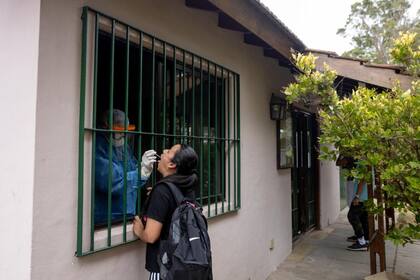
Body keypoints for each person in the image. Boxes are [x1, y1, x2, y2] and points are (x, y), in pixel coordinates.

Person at [133, 144, 198, 280]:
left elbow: (151, 236)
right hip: (184, 263)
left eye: (168, 151)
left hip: (164, 269)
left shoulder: (162, 191)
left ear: (172, 164)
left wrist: (139, 231)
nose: (163, 151)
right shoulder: (187, 185)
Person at [94, 109, 157, 225]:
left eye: (126, 130)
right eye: (119, 130)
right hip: (107, 217)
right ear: (105, 127)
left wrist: (143, 167)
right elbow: (111, 181)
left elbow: (131, 167)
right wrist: (141, 174)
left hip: (127, 213)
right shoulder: (97, 146)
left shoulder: (122, 146)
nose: (123, 135)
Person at [346, 179, 369, 251]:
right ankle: (366, 240)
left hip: (361, 198)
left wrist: (357, 196)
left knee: (352, 216)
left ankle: (361, 242)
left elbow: (362, 181)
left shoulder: (363, 167)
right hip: (366, 198)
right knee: (363, 220)